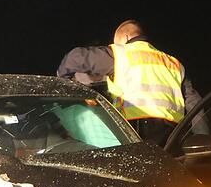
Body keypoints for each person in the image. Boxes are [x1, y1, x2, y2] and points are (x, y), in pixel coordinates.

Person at [57, 20, 201, 146]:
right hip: (174, 136)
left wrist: (62, 83)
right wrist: (203, 139)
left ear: (125, 37)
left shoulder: (120, 54)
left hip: (134, 131)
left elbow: (74, 58)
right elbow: (195, 105)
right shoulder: (174, 63)